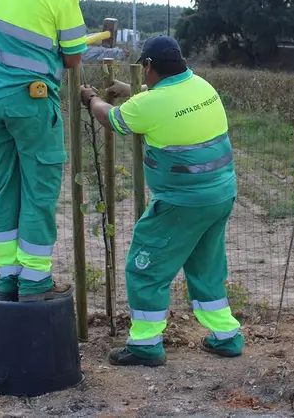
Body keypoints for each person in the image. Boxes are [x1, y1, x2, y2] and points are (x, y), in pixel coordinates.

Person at [80, 35, 244, 367]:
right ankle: (227, 337)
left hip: (182, 203)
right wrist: (128, 89)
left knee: (146, 267)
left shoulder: (150, 105)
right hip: (220, 196)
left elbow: (110, 119)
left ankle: (145, 345)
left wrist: (91, 97)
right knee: (205, 267)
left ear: (151, 67)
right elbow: (159, 102)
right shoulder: (201, 87)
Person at [0, 0, 90, 303]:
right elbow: (73, 58)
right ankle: (35, 280)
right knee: (40, 192)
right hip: (29, 101)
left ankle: (8, 278)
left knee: (6, 187)